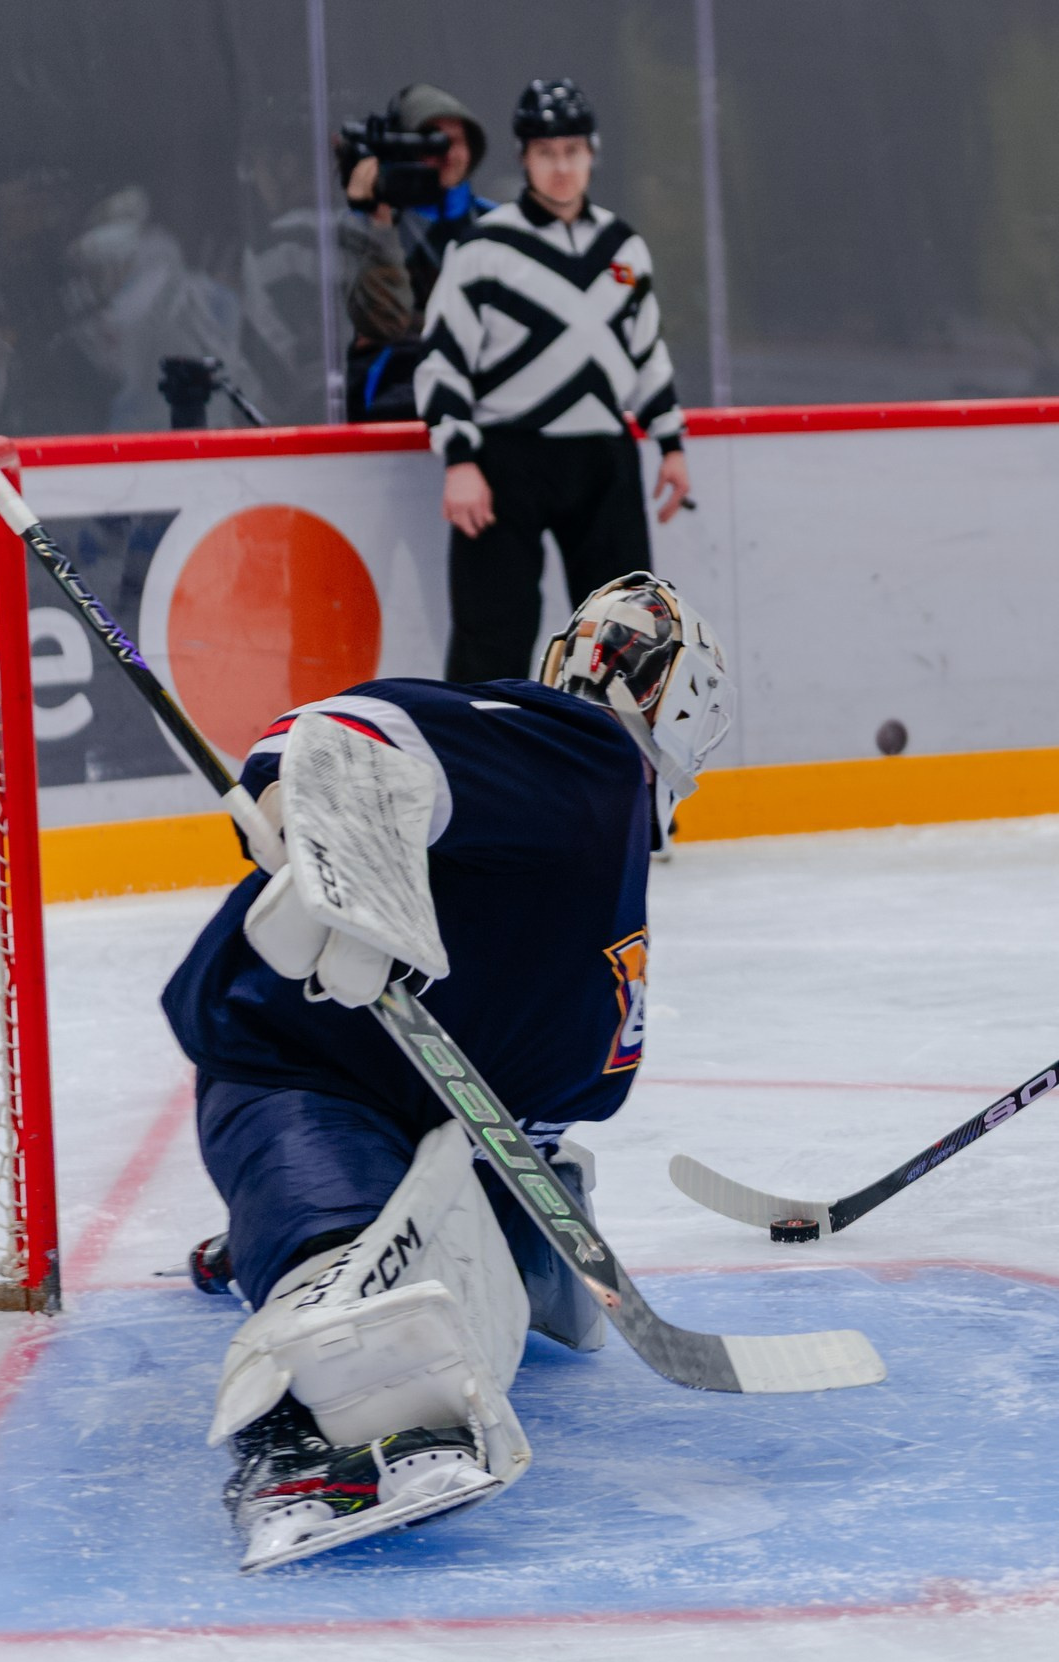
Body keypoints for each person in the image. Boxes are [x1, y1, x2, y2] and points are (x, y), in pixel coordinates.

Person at [163, 574, 734, 1570]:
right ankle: (301, 1421)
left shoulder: (601, 840)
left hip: (447, 1123)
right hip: (302, 1066)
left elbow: (550, 1047)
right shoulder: (576, 751)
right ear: (686, 709)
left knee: (509, 1296)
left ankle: (305, 1235)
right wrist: (331, 854)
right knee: (361, 1311)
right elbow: (338, 732)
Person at [418, 78, 690, 684]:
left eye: (571, 151)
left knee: (628, 637)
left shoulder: (625, 248)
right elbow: (442, 360)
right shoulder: (484, 248)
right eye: (546, 153)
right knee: (492, 634)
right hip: (505, 461)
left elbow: (648, 355)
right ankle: (483, 773)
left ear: (592, 153)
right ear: (524, 158)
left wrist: (671, 444)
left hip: (602, 459)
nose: (561, 167)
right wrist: (459, 459)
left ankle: (623, 772)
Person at [339, 84, 493, 422]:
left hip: (483, 413)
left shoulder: (495, 224)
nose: (449, 154)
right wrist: (377, 222)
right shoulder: (370, 225)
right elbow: (381, 324)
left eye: (458, 140)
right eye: (432, 142)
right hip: (388, 412)